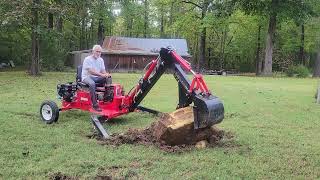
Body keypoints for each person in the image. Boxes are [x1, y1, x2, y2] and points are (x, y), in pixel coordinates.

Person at [81, 45, 112, 112]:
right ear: (93, 51)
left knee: (108, 78)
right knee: (92, 84)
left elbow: (103, 70)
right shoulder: (87, 59)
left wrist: (106, 74)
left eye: (100, 52)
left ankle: (106, 98)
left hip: (96, 77)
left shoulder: (101, 60)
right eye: (97, 51)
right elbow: (91, 71)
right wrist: (102, 75)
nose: (98, 53)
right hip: (87, 77)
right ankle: (95, 105)